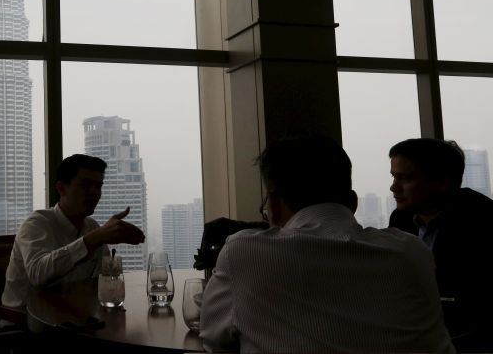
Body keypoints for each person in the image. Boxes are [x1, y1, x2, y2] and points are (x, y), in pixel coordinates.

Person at [199, 135, 454, 354]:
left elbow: (214, 340)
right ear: (353, 202)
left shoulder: (243, 252)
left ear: (274, 205)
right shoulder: (412, 251)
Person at [389, 138, 493, 352]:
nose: (394, 187)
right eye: (393, 177)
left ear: (442, 182)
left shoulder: (481, 222)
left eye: (405, 178)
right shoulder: (400, 219)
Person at [1, 154, 145, 308]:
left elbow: (102, 280)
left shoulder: (91, 227)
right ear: (61, 188)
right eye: (85, 185)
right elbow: (37, 274)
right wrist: (93, 239)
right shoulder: (36, 224)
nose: (94, 192)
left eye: (98, 186)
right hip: (23, 323)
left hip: (74, 317)